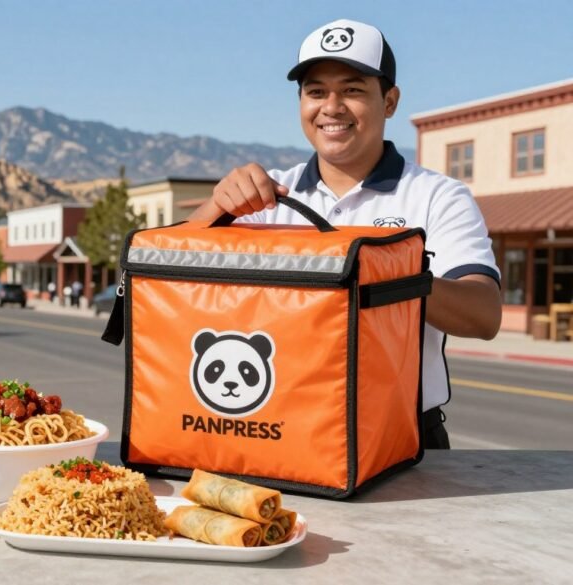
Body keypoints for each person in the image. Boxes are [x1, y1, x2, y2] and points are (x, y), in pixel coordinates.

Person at [187, 19, 502, 449]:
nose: (331, 107)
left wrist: (387, 275)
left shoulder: (437, 196)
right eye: (316, 92)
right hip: (274, 430)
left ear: (389, 101)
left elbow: (484, 314)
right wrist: (215, 208)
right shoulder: (265, 193)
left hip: (401, 437)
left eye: (353, 90)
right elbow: (168, 278)